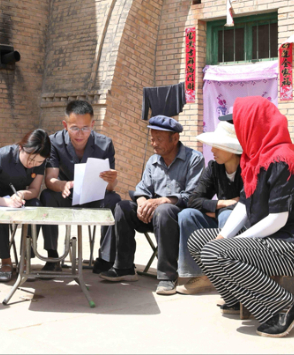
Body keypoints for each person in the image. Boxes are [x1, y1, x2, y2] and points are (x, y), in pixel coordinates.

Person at [187, 97, 294, 338]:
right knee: (199, 241)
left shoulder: (282, 161)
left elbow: (278, 219)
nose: (237, 129)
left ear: (254, 125)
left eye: (240, 124)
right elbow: (244, 205)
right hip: (267, 242)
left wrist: (234, 243)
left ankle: (285, 305)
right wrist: (224, 236)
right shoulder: (253, 159)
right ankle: (236, 299)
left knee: (214, 252)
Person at [100, 115, 204, 295]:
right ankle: (124, 268)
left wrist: (163, 200)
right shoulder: (153, 161)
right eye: (152, 138)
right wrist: (141, 202)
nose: (154, 143)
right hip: (152, 215)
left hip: (177, 218)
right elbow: (142, 189)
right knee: (123, 207)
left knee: (164, 210)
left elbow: (193, 196)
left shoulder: (194, 159)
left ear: (175, 138)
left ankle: (167, 276)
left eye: (159, 139)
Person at [41, 100, 121, 275]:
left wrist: (111, 180)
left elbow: (110, 187)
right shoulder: (53, 142)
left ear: (92, 125)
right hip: (65, 195)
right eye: (74, 128)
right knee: (46, 196)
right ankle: (52, 256)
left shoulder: (105, 144)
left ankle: (105, 259)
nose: (80, 133)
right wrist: (63, 185)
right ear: (65, 125)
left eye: (85, 128)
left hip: (93, 196)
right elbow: (50, 179)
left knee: (114, 200)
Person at [176, 121, 243, 295]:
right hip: (218, 221)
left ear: (231, 148)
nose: (212, 150)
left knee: (227, 216)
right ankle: (199, 275)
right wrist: (222, 203)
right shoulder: (213, 167)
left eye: (217, 146)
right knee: (187, 215)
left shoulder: (247, 169)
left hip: (245, 229)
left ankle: (229, 280)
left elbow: (247, 205)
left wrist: (217, 210)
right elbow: (193, 200)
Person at [0, 129, 51, 282]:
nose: (32, 164)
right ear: (21, 148)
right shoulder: (2, 156)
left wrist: (22, 194)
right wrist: (7, 202)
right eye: (30, 159)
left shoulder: (39, 162)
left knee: (36, 206)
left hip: (17, 198)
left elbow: (34, 190)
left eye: (38, 162)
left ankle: (25, 259)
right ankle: (6, 262)